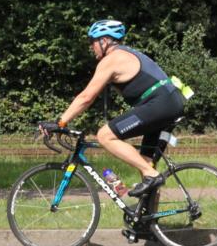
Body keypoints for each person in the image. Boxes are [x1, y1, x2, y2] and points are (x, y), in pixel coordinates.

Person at [38, 19, 185, 199]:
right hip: (168, 102)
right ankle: (147, 222)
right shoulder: (128, 53)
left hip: (161, 103)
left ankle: (151, 175)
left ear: (105, 41)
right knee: (145, 162)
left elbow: (86, 97)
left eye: (93, 41)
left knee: (105, 136)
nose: (91, 47)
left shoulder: (113, 59)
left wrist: (60, 122)